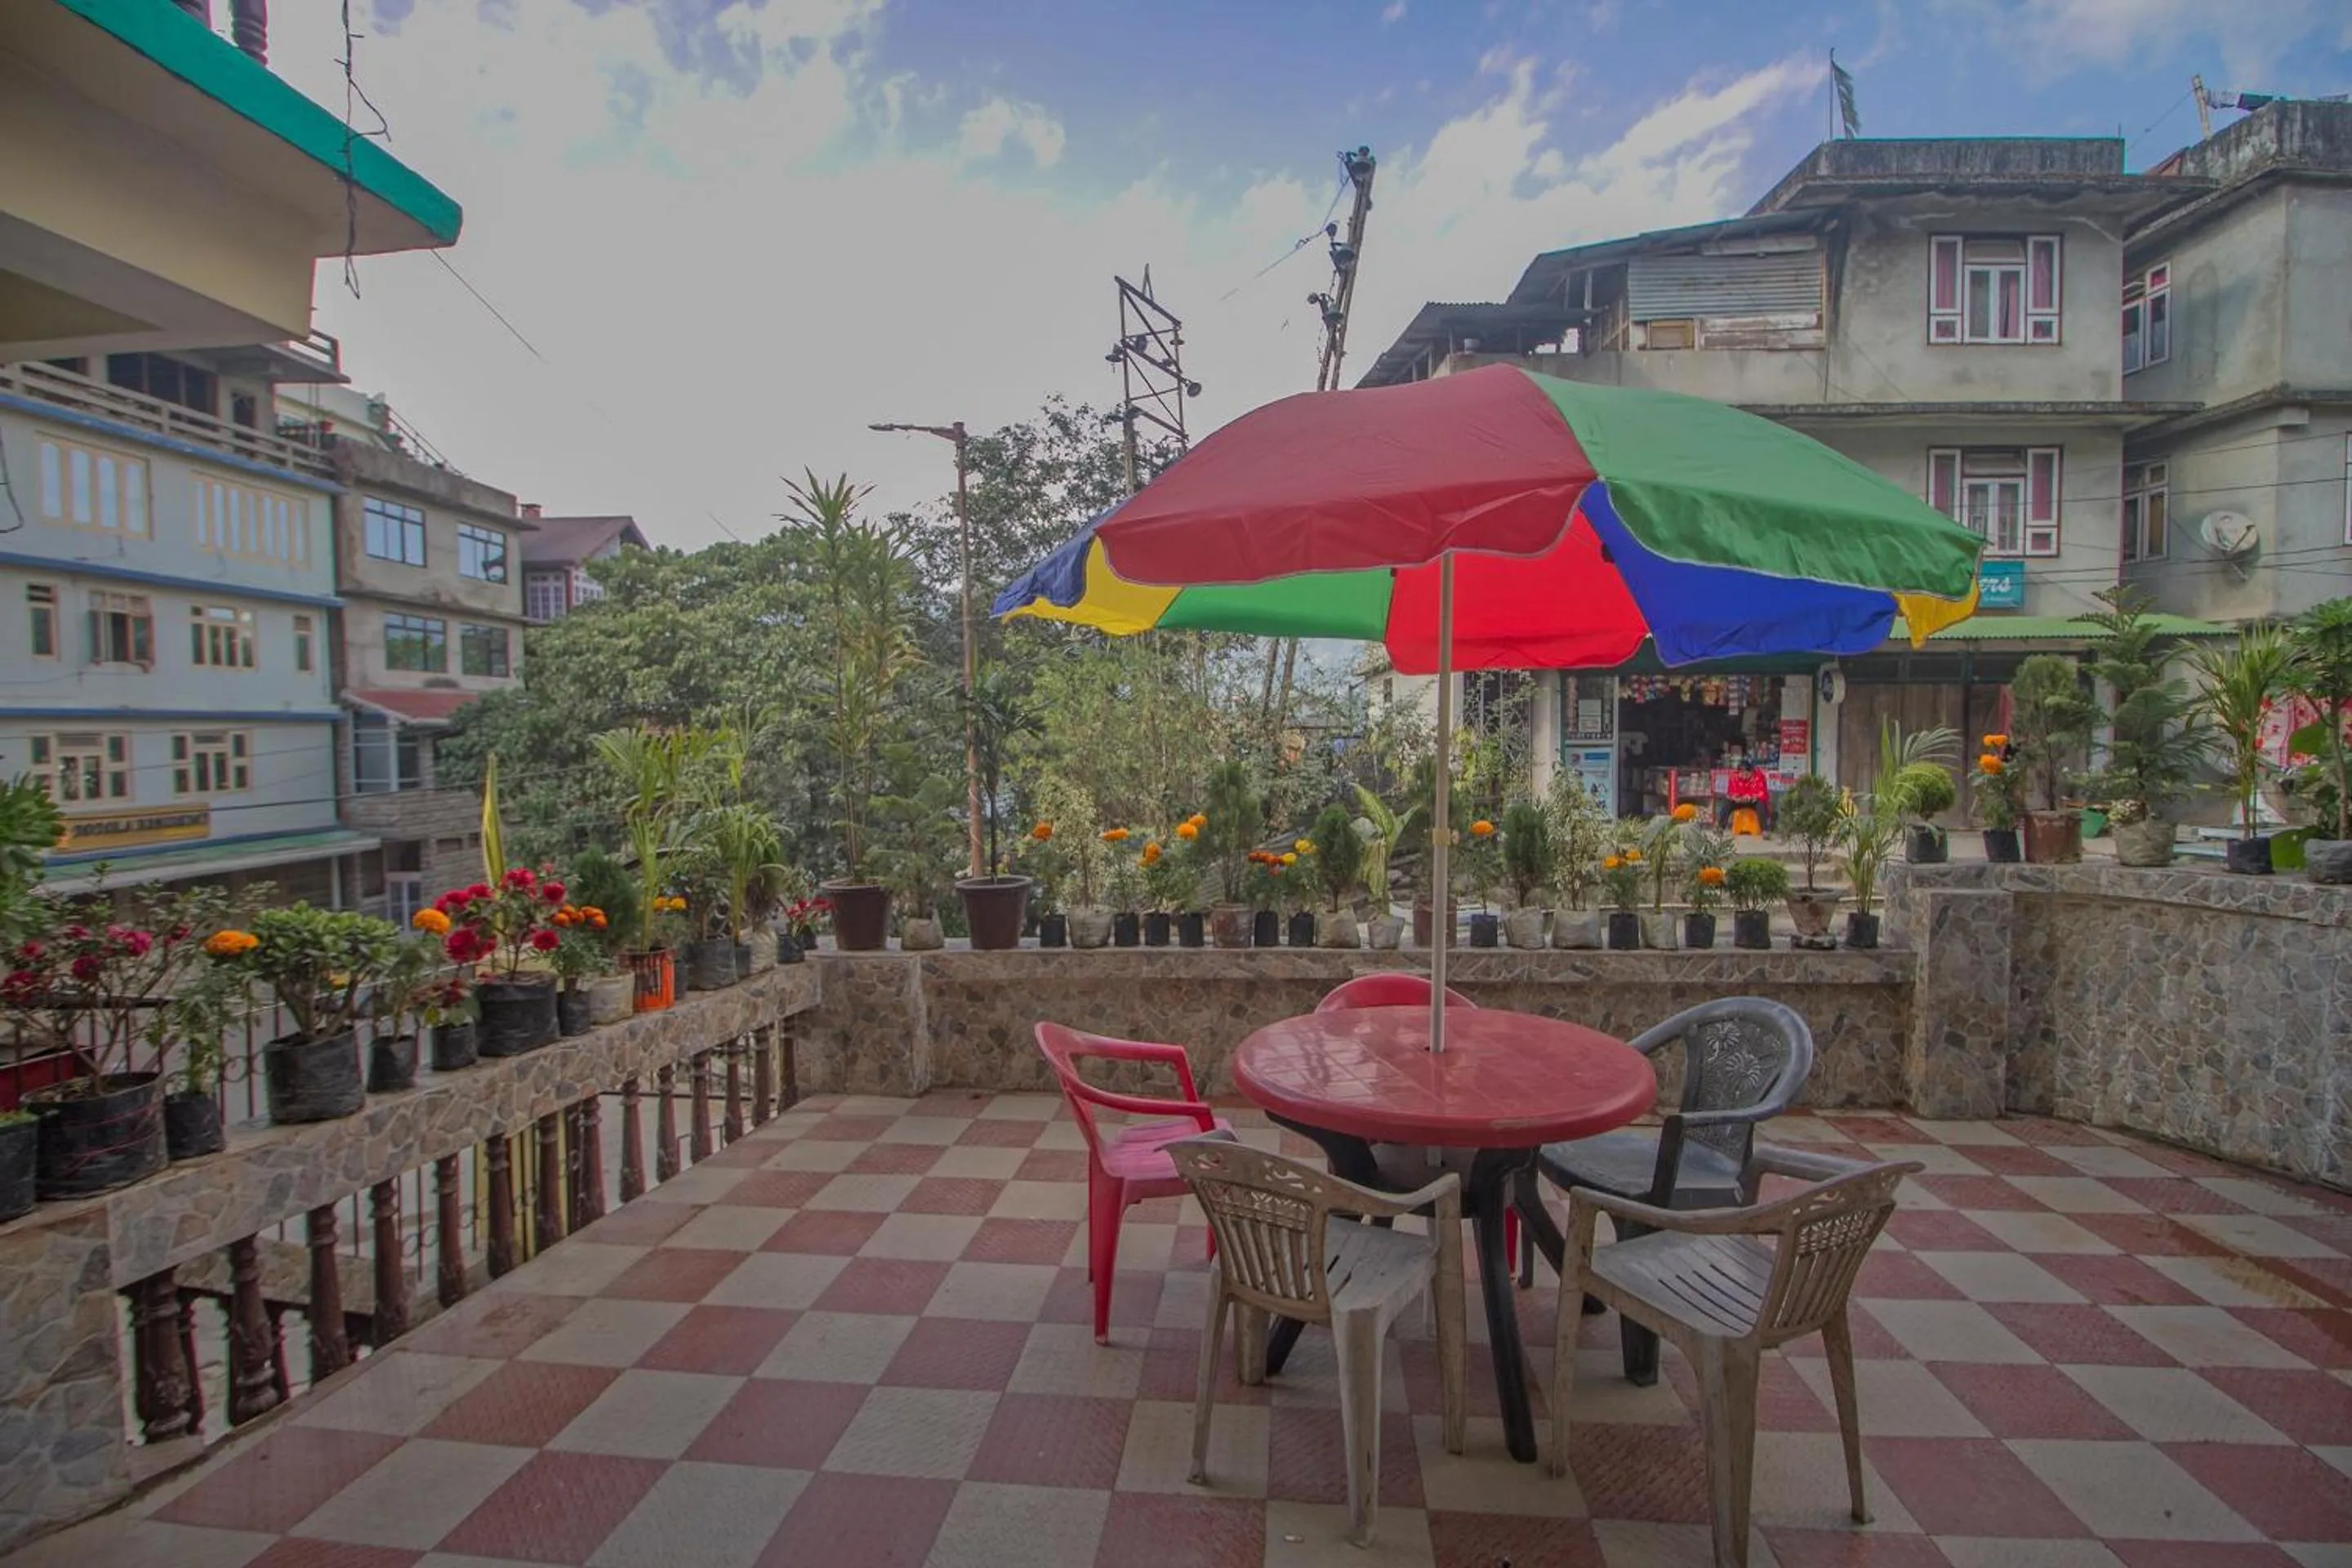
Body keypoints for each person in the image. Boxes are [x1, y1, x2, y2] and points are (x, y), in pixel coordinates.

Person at [1719, 754, 1773, 832]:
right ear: (1738, 773)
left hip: (1752, 802)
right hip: (1739, 801)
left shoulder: (1759, 777)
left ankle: (1765, 830)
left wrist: (1752, 797)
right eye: (1742, 774)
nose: (1744, 777)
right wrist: (1735, 797)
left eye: (1747, 775)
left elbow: (1763, 793)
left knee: (1761, 805)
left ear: (1751, 772)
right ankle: (1720, 828)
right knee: (1726, 803)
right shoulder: (1734, 777)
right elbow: (1731, 792)